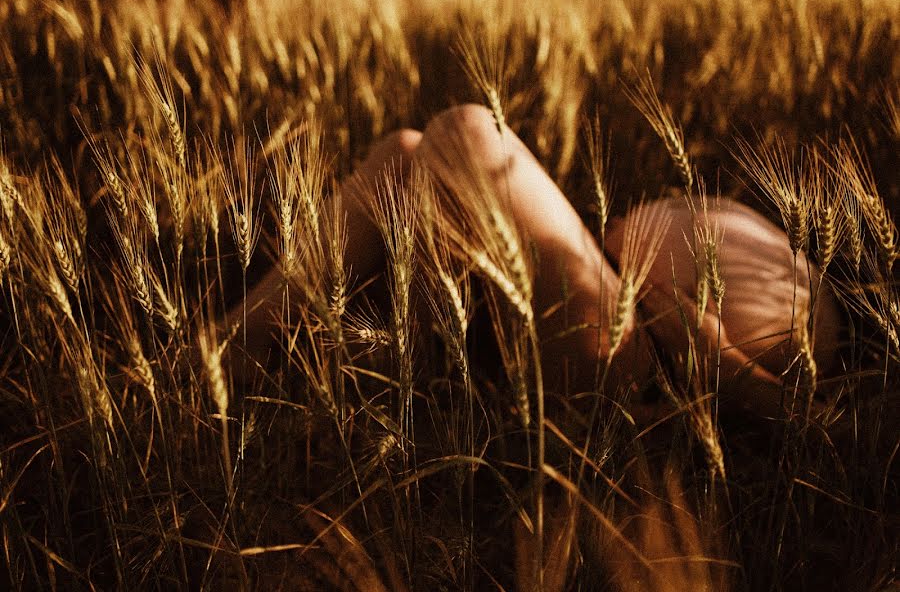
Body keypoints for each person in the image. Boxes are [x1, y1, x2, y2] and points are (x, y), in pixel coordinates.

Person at [232, 104, 841, 421]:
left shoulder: (796, 316)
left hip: (649, 353)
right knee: (404, 155)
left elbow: (820, 429)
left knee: (466, 131)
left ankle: (409, 386)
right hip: (619, 296)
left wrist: (726, 372)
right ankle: (229, 350)